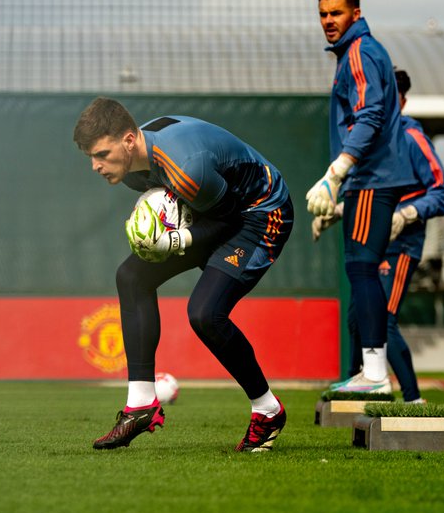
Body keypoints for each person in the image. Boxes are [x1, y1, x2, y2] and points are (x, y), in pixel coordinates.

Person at [73, 97, 294, 452]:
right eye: (91, 158)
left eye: (102, 154)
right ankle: (141, 404)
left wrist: (175, 238)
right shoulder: (133, 169)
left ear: (129, 140)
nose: (96, 166)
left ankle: (268, 410)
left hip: (259, 213)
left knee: (206, 313)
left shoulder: (186, 169)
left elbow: (230, 219)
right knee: (131, 277)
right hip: (213, 208)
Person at [306, 0, 420, 395]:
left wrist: (337, 172)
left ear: (355, 13)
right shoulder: (354, 54)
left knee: (362, 270)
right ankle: (371, 371)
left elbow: (370, 116)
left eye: (336, 13)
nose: (328, 22)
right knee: (361, 270)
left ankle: (375, 374)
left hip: (373, 177)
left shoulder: (361, 52)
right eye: (323, 14)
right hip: (366, 179)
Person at [322, 68, 444, 403]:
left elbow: (442, 192)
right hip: (373, 244)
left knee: (384, 321)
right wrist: (336, 213)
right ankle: (358, 391)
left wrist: (407, 214)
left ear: (402, 101)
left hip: (400, 247)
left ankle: (413, 399)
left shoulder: (411, 138)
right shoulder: (369, 145)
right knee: (357, 320)